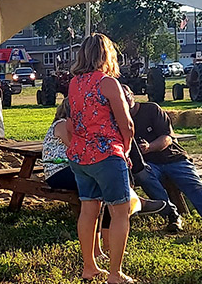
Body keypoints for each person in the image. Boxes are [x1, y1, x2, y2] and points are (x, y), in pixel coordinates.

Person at [42, 99, 165, 261]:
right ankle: (132, 203)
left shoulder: (75, 126)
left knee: (108, 184)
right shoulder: (62, 124)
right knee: (104, 186)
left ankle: (107, 245)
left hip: (75, 168)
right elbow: (78, 148)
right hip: (59, 172)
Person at [66, 33, 135, 284]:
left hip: (80, 155)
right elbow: (126, 122)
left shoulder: (74, 83)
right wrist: (126, 147)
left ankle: (89, 266)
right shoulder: (108, 83)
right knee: (120, 212)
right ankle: (115, 273)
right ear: (107, 55)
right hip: (106, 153)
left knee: (88, 209)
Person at [123, 86, 202, 235]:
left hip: (174, 158)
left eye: (127, 95)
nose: (125, 99)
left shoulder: (152, 110)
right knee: (143, 176)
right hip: (148, 164)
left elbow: (167, 138)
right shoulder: (118, 118)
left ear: (133, 95)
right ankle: (171, 214)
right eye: (120, 97)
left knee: (194, 185)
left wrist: (149, 147)